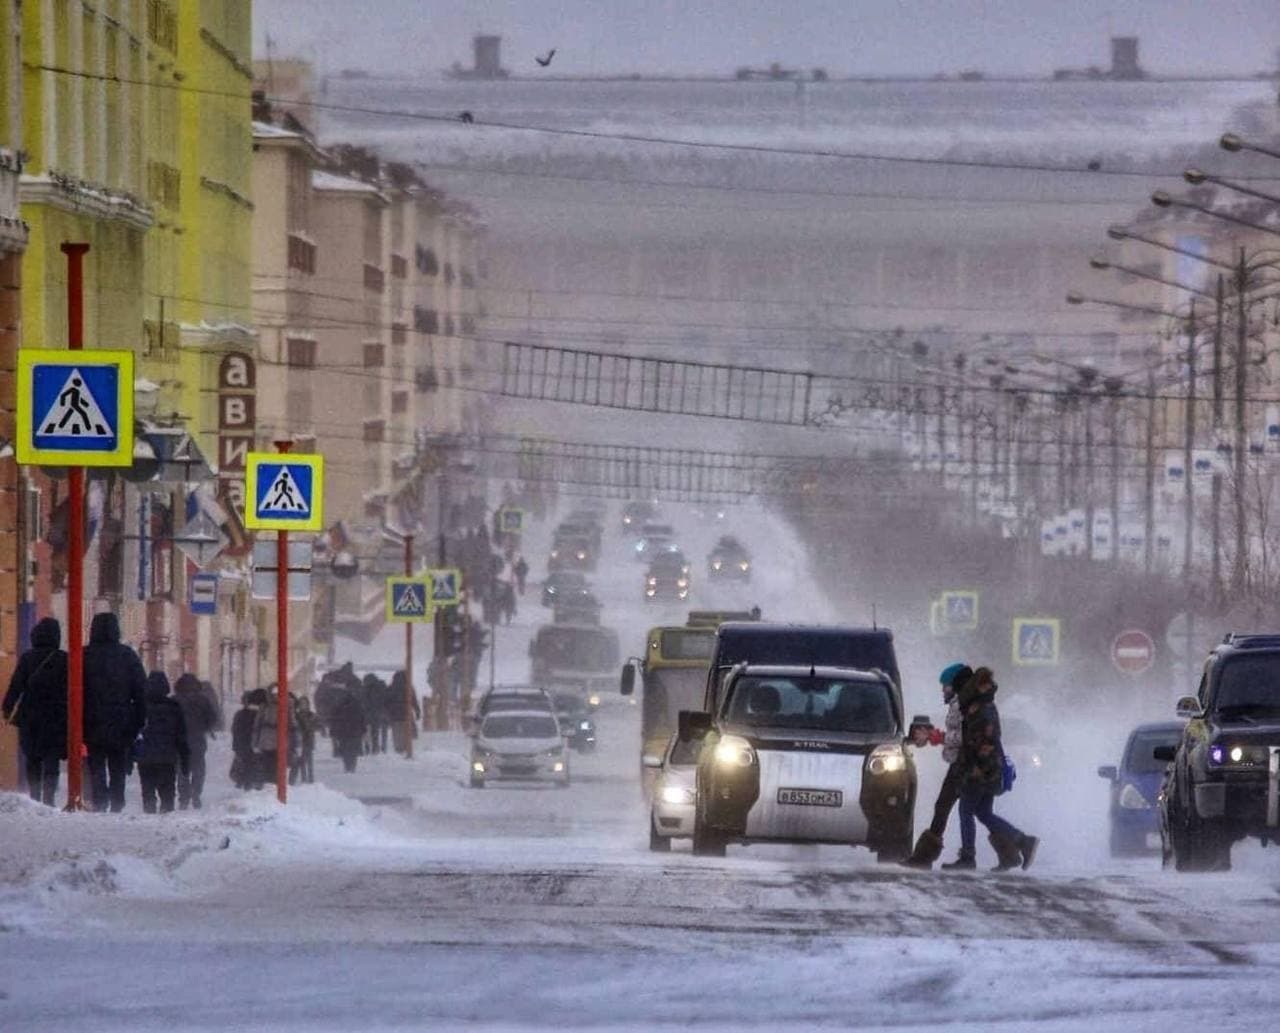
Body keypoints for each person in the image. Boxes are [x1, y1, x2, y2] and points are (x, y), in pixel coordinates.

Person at [943, 666, 1039, 872]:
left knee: (966, 810)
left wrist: (974, 768)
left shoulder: (979, 708)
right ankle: (1022, 841)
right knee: (983, 812)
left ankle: (968, 857)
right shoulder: (986, 704)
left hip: (979, 769)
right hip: (989, 768)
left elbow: (981, 741)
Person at [902, 663, 970, 869]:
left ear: (956, 685)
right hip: (961, 761)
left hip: (964, 763)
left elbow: (962, 736)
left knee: (957, 808)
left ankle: (926, 857)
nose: (943, 690)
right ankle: (1014, 844)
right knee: (970, 809)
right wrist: (933, 737)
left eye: (946, 686)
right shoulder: (958, 704)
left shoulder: (962, 705)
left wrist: (934, 736)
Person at [82, 612, 148, 812]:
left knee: (96, 763)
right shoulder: (127, 655)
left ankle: (100, 800)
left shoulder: (84, 655)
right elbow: (140, 691)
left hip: (91, 720)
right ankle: (117, 801)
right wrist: (139, 720)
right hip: (122, 721)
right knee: (118, 763)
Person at [3, 617, 69, 806]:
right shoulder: (63, 659)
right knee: (52, 759)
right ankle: (49, 798)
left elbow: (16, 685)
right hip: (57, 717)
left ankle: (34, 796)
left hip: (30, 716)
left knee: (33, 758)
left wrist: (7, 708)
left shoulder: (27, 658)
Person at [134, 671, 190, 814]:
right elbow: (181, 736)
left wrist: (130, 755)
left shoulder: (140, 707)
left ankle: (149, 811)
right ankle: (166, 811)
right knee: (167, 790)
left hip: (145, 756)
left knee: (147, 789)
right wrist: (185, 759)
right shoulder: (174, 707)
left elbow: (132, 731)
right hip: (167, 756)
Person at [173, 673, 217, 809]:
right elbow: (212, 718)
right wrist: (205, 727)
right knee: (198, 768)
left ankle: (183, 798)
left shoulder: (174, 700)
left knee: (182, 769)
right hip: (198, 739)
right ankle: (196, 792)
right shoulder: (203, 700)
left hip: (180, 740)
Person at [231, 689, 265, 791]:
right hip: (250, 743)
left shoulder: (240, 714)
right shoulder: (259, 714)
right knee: (252, 764)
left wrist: (236, 746)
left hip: (244, 744)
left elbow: (235, 730)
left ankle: (246, 783)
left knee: (246, 764)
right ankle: (250, 783)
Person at [329, 689, 366, 773]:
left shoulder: (339, 705)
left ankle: (347, 765)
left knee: (345, 749)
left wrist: (333, 731)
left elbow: (334, 719)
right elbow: (362, 718)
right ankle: (352, 766)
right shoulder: (357, 705)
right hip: (355, 731)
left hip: (343, 731)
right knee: (353, 750)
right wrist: (363, 730)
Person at [291, 696, 318, 784]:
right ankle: (301, 779)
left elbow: (317, 725)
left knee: (309, 761)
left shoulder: (312, 715)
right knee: (300, 761)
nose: (303, 706)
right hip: (300, 740)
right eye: (302, 704)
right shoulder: (296, 716)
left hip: (309, 739)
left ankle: (310, 779)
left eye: (305, 704)